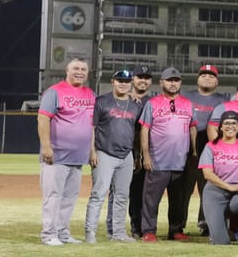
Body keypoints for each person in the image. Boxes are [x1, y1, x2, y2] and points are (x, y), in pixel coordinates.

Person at [37, 56, 96, 245]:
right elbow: (43, 119)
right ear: (67, 71)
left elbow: (91, 125)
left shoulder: (90, 94)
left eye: (83, 69)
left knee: (69, 197)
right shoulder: (55, 92)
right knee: (53, 196)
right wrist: (46, 146)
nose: (79, 72)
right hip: (57, 155)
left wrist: (92, 151)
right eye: (76, 68)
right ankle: (49, 234)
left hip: (78, 156)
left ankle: (62, 232)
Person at [139, 67, 197, 242]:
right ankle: (148, 230)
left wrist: (193, 150)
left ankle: (176, 230)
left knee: (178, 200)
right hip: (158, 160)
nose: (173, 83)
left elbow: (192, 127)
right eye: (169, 80)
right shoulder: (153, 103)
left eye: (176, 80)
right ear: (161, 82)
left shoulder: (187, 103)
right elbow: (144, 129)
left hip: (180, 160)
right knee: (151, 199)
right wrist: (146, 155)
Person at [84, 68, 142, 243]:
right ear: (113, 82)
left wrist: (137, 156)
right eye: (120, 81)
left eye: (126, 81)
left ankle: (117, 233)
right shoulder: (102, 101)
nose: (123, 84)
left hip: (126, 155)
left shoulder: (135, 104)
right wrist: (92, 151)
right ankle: (90, 232)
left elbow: (137, 132)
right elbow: (91, 128)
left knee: (122, 196)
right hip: (104, 153)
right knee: (98, 195)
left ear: (131, 83)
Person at [198, 111, 238, 247]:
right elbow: (207, 174)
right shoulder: (211, 146)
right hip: (215, 193)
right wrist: (229, 187)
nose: (230, 126)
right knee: (221, 242)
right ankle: (218, 232)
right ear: (220, 127)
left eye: (234, 123)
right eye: (226, 123)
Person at [186, 63, 225, 237]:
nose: (207, 78)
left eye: (211, 76)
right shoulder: (186, 97)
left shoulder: (223, 100)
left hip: (210, 145)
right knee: (183, 187)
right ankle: (177, 225)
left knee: (208, 186)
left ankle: (206, 222)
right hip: (186, 144)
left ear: (217, 82)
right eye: (203, 75)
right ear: (197, 79)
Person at [123, 63, 154, 238]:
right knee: (129, 192)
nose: (143, 80)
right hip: (127, 151)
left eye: (146, 78)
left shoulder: (153, 101)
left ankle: (144, 226)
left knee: (144, 191)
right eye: (139, 77)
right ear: (133, 79)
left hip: (148, 151)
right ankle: (133, 226)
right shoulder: (123, 98)